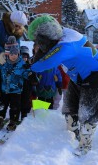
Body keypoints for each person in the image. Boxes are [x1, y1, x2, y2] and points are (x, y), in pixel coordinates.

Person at [28, 14, 98, 156]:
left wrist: (28, 66)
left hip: (94, 77)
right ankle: (72, 134)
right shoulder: (61, 33)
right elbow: (42, 54)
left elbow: (42, 64)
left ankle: (85, 146)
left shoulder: (66, 45)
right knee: (69, 107)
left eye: (38, 41)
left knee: (86, 113)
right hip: (78, 76)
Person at [0, 36, 38, 131]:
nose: (14, 55)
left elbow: (27, 72)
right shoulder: (2, 62)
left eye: (16, 53)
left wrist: (32, 78)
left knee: (15, 107)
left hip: (16, 91)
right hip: (5, 89)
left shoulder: (21, 64)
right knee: (2, 105)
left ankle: (13, 121)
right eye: (11, 53)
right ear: (7, 54)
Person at [32, 42, 62, 109]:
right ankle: (39, 114)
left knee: (49, 102)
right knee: (40, 101)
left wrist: (59, 83)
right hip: (40, 86)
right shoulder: (38, 61)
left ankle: (48, 114)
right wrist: (35, 79)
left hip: (51, 86)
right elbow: (35, 72)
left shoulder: (53, 63)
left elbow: (58, 72)